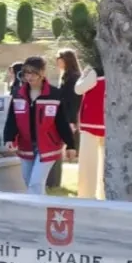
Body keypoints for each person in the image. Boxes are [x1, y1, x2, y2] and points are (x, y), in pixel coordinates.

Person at [3, 56, 76, 196]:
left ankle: (35, 214)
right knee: (29, 181)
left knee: (35, 184)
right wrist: (9, 138)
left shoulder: (55, 94)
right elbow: (11, 119)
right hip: (26, 146)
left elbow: (62, 122)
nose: (29, 77)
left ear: (42, 72)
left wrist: (71, 145)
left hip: (48, 146)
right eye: (26, 73)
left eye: (33, 72)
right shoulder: (18, 94)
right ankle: (43, 210)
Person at [47, 49, 83, 190]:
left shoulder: (72, 78)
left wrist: (70, 120)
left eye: (59, 58)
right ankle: (53, 181)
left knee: (57, 148)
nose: (57, 62)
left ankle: (53, 181)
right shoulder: (68, 76)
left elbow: (73, 101)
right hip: (65, 116)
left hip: (67, 117)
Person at [75, 66, 105, 199]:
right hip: (105, 122)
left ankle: (87, 196)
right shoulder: (117, 69)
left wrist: (83, 76)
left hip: (92, 121)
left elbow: (78, 89)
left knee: (88, 163)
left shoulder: (94, 71)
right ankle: (103, 194)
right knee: (105, 163)